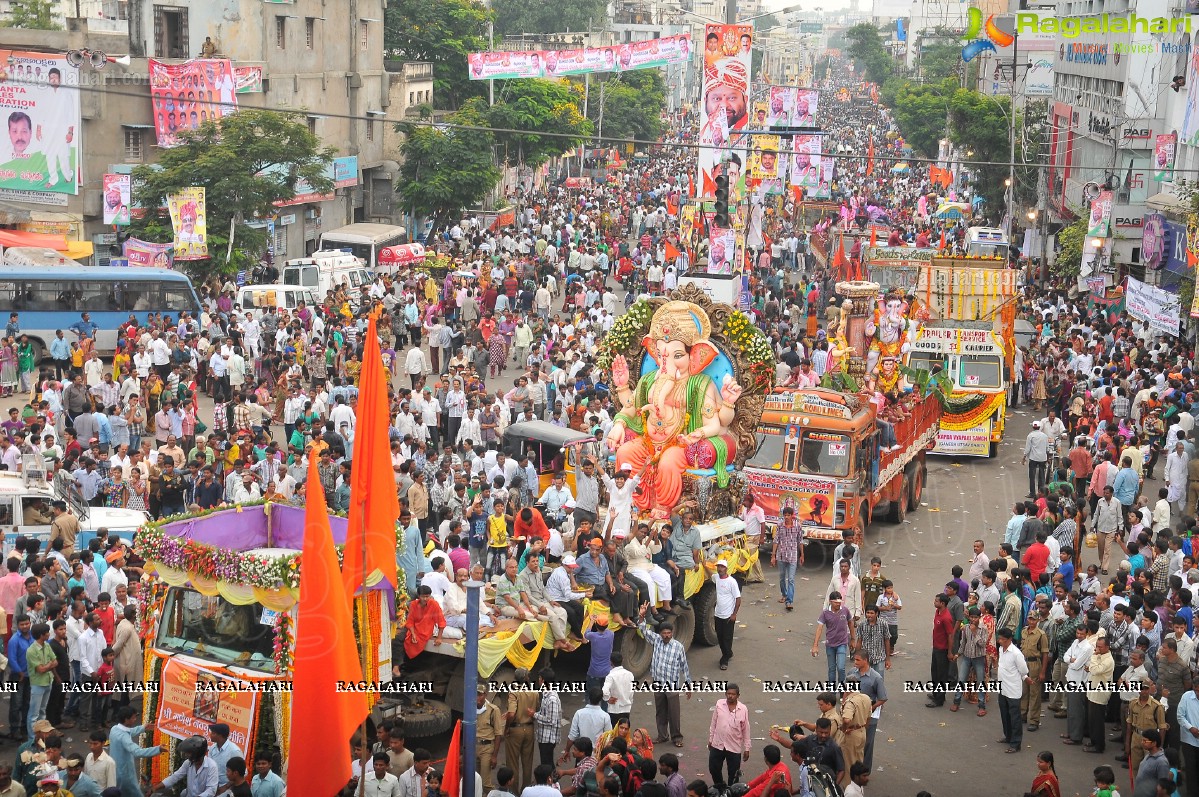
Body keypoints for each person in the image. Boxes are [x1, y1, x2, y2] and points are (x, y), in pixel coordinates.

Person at [638, 606, 691, 747]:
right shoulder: (656, 640)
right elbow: (643, 630)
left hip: (672, 684)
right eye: (664, 633)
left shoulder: (678, 647)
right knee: (660, 711)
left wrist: (688, 684)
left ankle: (677, 737)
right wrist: (642, 617)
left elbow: (684, 666)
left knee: (674, 713)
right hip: (658, 682)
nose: (666, 635)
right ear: (660, 633)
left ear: (672, 633)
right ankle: (662, 735)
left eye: (669, 633)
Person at [996, 627, 1032, 754]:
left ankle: (1016, 743)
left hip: (1012, 689)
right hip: (1002, 687)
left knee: (1015, 717)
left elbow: (1023, 670)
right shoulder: (1001, 649)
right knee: (1004, 714)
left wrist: (1026, 678)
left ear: (1009, 639)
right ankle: (1008, 736)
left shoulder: (1016, 654)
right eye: (999, 638)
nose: (1000, 641)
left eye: (1002, 639)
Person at [707, 684, 749, 788]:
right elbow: (714, 722)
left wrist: (747, 748)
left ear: (738, 695)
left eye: (733, 694)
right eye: (728, 693)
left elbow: (746, 729)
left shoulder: (743, 709)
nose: (730, 696)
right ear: (725, 694)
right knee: (713, 769)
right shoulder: (719, 704)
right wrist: (711, 739)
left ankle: (732, 791)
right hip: (717, 744)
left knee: (734, 775)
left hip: (734, 747)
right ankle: (720, 788)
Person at [712, 559, 741, 671]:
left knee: (727, 638)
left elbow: (738, 599)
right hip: (718, 614)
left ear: (726, 568)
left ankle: (725, 658)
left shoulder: (731, 582)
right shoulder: (716, 578)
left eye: (722, 567)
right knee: (719, 636)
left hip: (728, 616)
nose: (720, 569)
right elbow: (710, 574)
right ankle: (728, 653)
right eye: (718, 567)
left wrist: (734, 614)